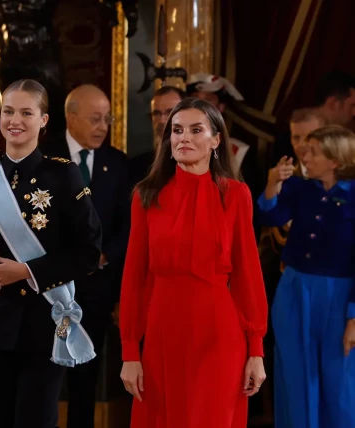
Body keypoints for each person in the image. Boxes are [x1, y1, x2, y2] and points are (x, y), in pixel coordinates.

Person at [0, 79, 102, 428]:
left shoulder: (63, 175)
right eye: (8, 111)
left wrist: (29, 272)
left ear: (43, 120)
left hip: (43, 324)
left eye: (26, 112)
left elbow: (88, 252)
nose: (15, 120)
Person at [119, 97, 268, 428]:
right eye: (176, 130)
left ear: (216, 140)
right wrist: (130, 351)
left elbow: (248, 275)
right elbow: (134, 277)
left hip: (219, 334)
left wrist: (256, 350)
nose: (183, 138)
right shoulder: (146, 195)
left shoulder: (236, 195)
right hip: (162, 334)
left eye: (195, 130)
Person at [40, 84, 130, 428]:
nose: (102, 127)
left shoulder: (116, 163)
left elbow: (128, 226)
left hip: (96, 291)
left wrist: (103, 257)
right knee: (44, 380)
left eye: (107, 119)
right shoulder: (43, 156)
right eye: (94, 119)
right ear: (70, 117)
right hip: (50, 289)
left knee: (85, 382)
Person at [257, 125, 355, 428]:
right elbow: (269, 216)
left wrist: (354, 316)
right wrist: (272, 184)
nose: (304, 156)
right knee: (294, 373)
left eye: (313, 151)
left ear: (335, 160)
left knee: (338, 380)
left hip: (340, 297)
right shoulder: (300, 188)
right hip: (294, 289)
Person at [128, 85, 186, 187]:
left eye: (169, 112)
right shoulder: (135, 166)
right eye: (157, 114)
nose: (162, 120)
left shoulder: (203, 163)